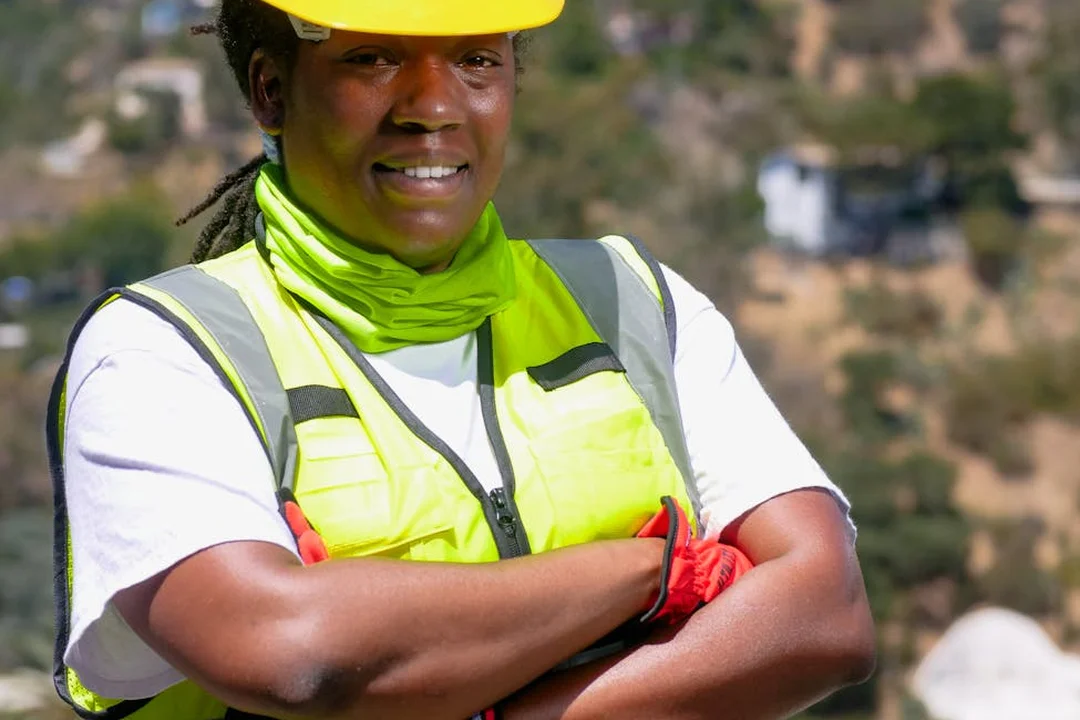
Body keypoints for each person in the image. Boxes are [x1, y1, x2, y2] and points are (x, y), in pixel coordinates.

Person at [47, 1, 876, 718]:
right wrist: (653, 573)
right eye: (372, 59)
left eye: (478, 59)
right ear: (271, 90)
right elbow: (288, 649)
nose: (433, 106)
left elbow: (826, 616)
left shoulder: (632, 304)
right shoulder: (166, 352)